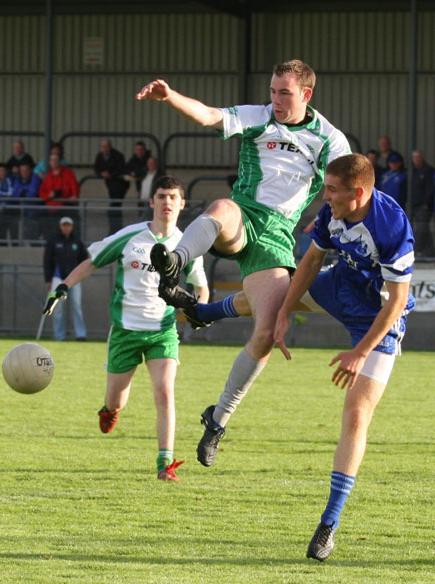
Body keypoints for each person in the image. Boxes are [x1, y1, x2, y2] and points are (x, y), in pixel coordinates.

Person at [192, 154, 415, 561]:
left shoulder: (392, 225)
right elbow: (311, 261)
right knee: (273, 297)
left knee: (355, 414)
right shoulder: (332, 214)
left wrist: (359, 351)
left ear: (358, 193)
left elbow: (398, 300)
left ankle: (329, 522)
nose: (324, 197)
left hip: (380, 316)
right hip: (341, 286)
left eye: (331, 190)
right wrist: (280, 314)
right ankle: (204, 312)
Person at [136, 59, 351, 468]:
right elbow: (210, 115)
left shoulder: (328, 140)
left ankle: (217, 419)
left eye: (283, 93)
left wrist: (339, 225)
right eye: (272, 91)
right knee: (220, 206)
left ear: (306, 94)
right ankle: (175, 262)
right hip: (244, 214)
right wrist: (171, 97)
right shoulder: (259, 118)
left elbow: (345, 186)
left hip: (277, 236)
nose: (275, 100)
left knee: (267, 330)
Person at [42, 176, 209, 482]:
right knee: (117, 400)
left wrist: (199, 311)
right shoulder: (130, 236)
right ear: (151, 202)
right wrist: (63, 286)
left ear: (182, 203)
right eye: (161, 196)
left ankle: (165, 464)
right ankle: (109, 410)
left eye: (173, 196)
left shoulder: (187, 245)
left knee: (165, 391)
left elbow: (201, 287)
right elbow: (92, 262)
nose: (167, 202)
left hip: (162, 331)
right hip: (124, 331)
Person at [43, 216, 88, 341]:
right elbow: (47, 261)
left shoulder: (77, 241)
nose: (66, 227)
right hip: (57, 278)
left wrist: (81, 274)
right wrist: (48, 279)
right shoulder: (53, 241)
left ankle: (80, 334)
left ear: (72, 227)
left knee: (77, 305)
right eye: (64, 225)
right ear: (60, 226)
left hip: (74, 279)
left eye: (68, 225)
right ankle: (59, 336)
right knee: (57, 308)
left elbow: (84, 259)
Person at [39, 153, 80, 236]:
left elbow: (73, 186)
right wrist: (49, 196)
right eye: (52, 160)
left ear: (59, 162)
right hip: (51, 209)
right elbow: (42, 192)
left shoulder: (67, 172)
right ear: (49, 162)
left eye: (55, 160)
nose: (53, 162)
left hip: (64, 208)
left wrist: (74, 196)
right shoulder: (49, 175)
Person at [94, 139, 129, 235]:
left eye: (106, 147)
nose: (104, 149)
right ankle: (114, 232)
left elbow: (121, 169)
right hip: (110, 184)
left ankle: (116, 232)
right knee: (113, 206)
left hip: (119, 184)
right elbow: (96, 168)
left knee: (115, 207)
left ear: (110, 147)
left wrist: (110, 174)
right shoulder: (100, 156)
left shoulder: (118, 156)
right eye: (102, 147)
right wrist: (102, 173)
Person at [410, 150, 435, 258]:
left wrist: (426, 203)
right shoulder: (412, 171)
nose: (417, 159)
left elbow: (431, 188)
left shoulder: (428, 171)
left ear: (423, 157)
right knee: (423, 229)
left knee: (422, 228)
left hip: (423, 206)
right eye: (415, 157)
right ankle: (429, 251)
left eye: (419, 157)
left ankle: (419, 250)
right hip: (414, 205)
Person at [11, 163, 43, 241]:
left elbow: (32, 193)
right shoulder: (18, 179)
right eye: (22, 170)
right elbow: (14, 194)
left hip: (35, 212)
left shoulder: (35, 178)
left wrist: (22, 191)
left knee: (33, 236)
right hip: (22, 211)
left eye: (26, 170)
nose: (24, 172)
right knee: (14, 225)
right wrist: (24, 192)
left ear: (30, 171)